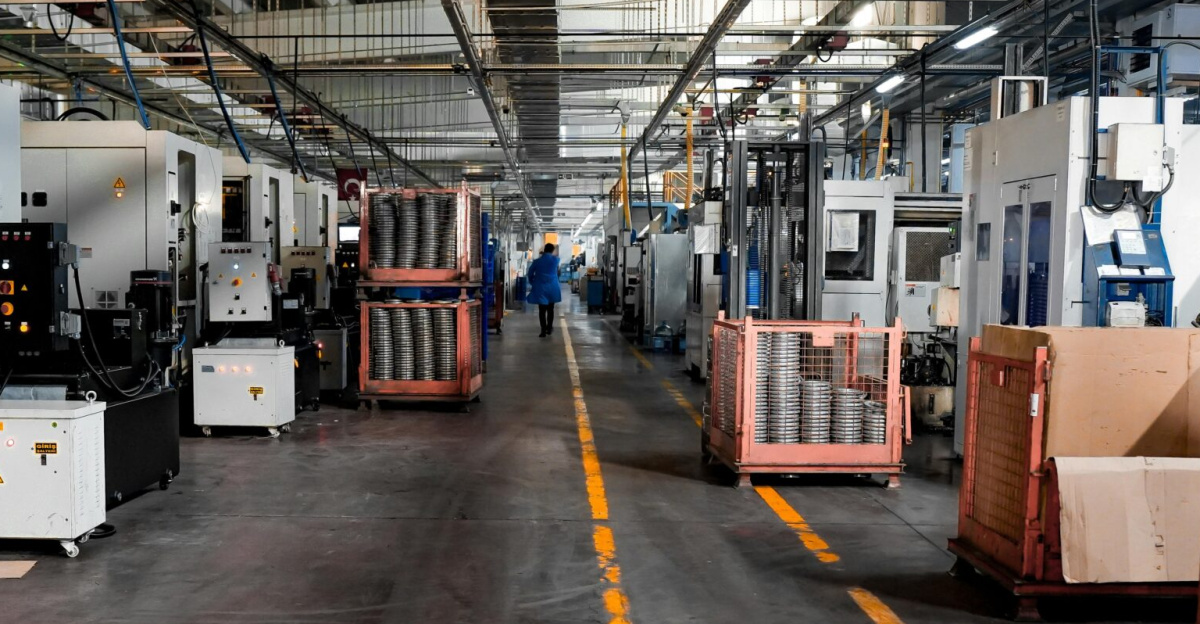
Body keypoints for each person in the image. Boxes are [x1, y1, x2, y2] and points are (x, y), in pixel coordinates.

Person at [527, 243, 562, 337]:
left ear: (545, 249)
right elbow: (558, 272)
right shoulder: (556, 260)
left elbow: (530, 273)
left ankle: (543, 331)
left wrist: (533, 282)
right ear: (552, 251)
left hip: (540, 287)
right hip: (553, 287)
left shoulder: (537, 261)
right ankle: (549, 328)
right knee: (551, 309)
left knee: (542, 310)